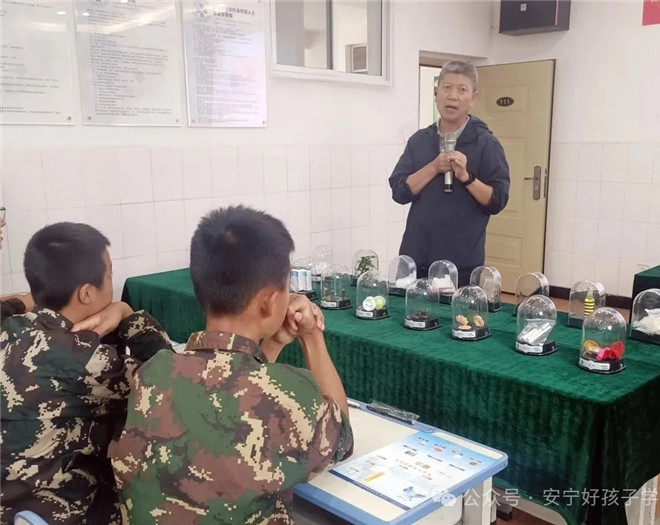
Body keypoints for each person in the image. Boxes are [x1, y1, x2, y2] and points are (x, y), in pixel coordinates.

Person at [110, 206, 354, 524]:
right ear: (269, 301)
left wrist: (274, 343)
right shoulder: (289, 394)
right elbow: (342, 437)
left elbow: (232, 381)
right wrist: (311, 336)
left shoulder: (152, 373)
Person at [1, 222, 173, 525]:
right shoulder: (85, 358)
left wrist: (38, 295)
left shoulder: (9, 327)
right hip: (60, 508)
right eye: (110, 275)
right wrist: (126, 313)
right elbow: (169, 379)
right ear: (86, 293)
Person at [389, 60, 510, 287]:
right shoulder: (419, 140)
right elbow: (399, 192)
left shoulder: (486, 143)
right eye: (446, 88)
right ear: (436, 93)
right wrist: (434, 167)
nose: (452, 96)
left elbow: (497, 200)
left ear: (473, 97)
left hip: (460, 263)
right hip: (415, 257)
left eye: (462, 90)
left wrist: (467, 177)